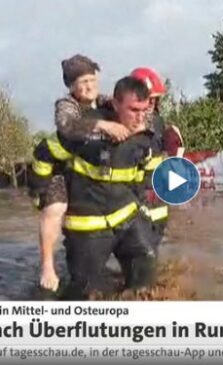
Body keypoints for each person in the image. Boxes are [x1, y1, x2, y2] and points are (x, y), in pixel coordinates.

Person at [31, 77, 159, 299]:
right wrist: (42, 194)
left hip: (126, 217)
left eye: (144, 110)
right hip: (88, 226)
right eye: (133, 110)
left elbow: (146, 172)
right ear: (116, 104)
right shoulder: (86, 131)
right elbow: (44, 153)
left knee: (145, 267)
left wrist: (145, 208)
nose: (140, 117)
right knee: (85, 292)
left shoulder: (145, 135)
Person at [36, 54, 131, 293]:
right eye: (82, 82)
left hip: (80, 166)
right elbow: (67, 127)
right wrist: (103, 125)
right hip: (54, 167)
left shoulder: (103, 102)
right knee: (55, 210)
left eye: (91, 79)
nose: (89, 86)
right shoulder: (66, 105)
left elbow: (126, 106)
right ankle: (47, 266)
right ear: (71, 87)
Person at [130, 68, 184, 245]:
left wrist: (174, 149)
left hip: (157, 191)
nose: (151, 103)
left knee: (155, 238)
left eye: (154, 99)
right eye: (148, 98)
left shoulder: (158, 121)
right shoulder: (124, 124)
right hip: (134, 192)